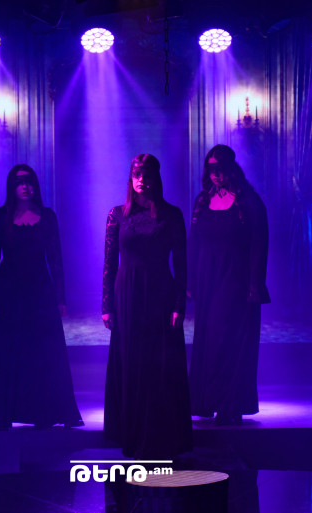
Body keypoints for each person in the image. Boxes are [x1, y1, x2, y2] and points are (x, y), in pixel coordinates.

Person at [0, 165, 82, 430]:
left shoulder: (47, 216)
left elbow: (55, 258)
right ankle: (1, 413)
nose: (25, 186)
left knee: (42, 350)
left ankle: (46, 412)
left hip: (39, 290)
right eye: (19, 181)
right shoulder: (0, 216)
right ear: (12, 186)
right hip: (7, 290)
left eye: (29, 181)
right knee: (6, 351)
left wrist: (60, 297)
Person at [102, 154, 193, 459]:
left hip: (160, 294)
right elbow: (109, 263)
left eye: (147, 174)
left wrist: (179, 304)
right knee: (131, 363)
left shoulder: (171, 214)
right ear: (131, 178)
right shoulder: (117, 214)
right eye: (137, 174)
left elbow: (181, 264)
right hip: (126, 295)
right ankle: (131, 434)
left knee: (159, 365)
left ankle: (161, 437)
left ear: (156, 177)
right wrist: (106, 305)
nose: (142, 179)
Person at [187, 145, 270, 426]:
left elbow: (259, 244)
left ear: (231, 168)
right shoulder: (203, 200)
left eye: (220, 168)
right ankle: (208, 401)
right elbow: (193, 241)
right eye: (211, 169)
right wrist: (189, 279)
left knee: (225, 336)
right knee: (208, 337)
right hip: (206, 276)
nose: (216, 174)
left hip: (235, 276)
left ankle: (229, 403)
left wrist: (255, 283)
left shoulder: (248, 200)